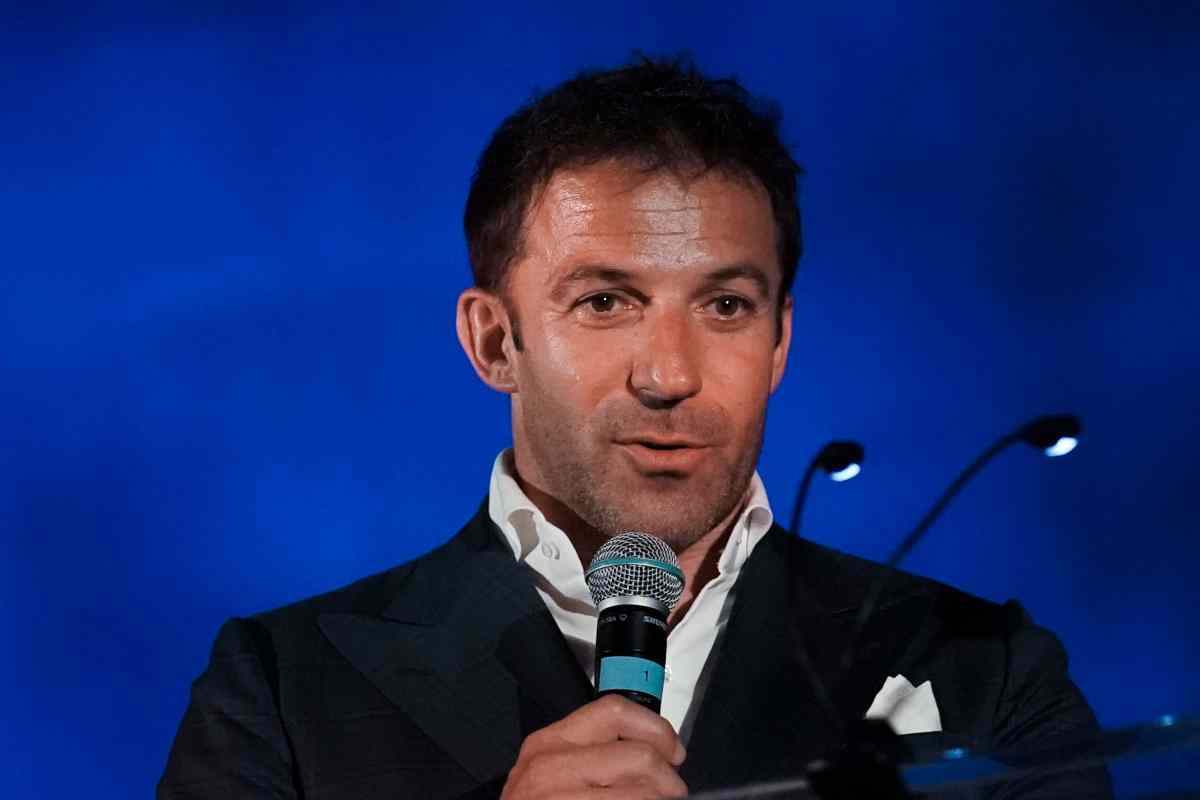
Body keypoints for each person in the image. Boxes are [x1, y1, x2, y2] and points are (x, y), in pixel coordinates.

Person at [158, 58, 1110, 799]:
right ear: (494, 341)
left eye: (726, 306)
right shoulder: (284, 688)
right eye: (607, 301)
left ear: (779, 342)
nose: (670, 374)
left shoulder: (983, 669)